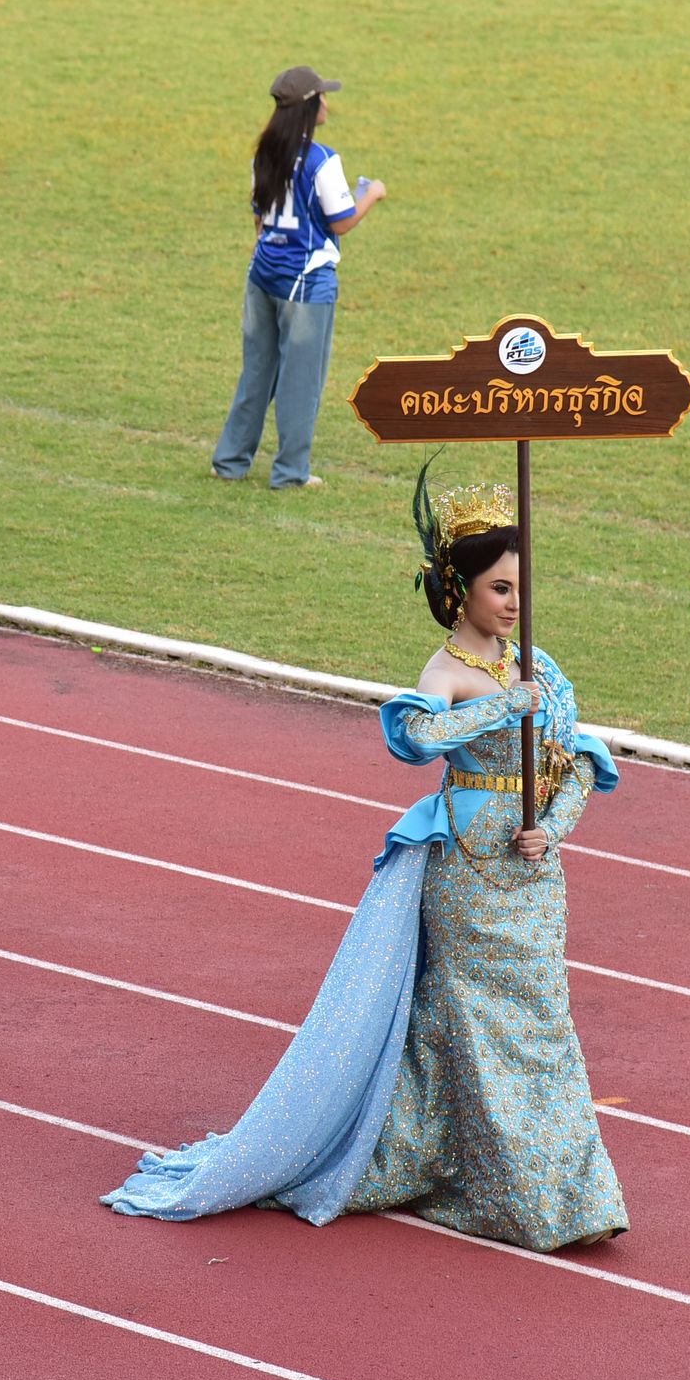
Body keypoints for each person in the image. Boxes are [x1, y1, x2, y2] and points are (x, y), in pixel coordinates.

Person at [105, 468, 629, 1253]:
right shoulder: (446, 672)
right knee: (480, 1025)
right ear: (459, 591)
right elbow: (414, 738)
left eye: (522, 587)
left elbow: (579, 758)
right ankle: (518, 1194)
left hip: (533, 875)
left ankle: (525, 1182)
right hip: (468, 874)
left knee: (541, 1024)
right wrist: (500, 704)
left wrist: (552, 829)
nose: (516, 602)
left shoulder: (541, 664)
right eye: (500, 588)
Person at [210, 65, 387, 491]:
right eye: (322, 96)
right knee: (301, 382)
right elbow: (341, 222)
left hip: (262, 276)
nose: (327, 101)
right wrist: (372, 195)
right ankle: (290, 472)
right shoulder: (322, 160)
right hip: (307, 284)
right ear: (309, 107)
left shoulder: (264, 153)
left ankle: (230, 461)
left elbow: (259, 220)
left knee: (257, 372)